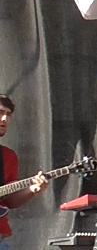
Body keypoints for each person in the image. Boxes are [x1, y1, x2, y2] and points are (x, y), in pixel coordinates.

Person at [0, 95, 48, 249]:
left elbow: (10, 201)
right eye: (0, 112)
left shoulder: (8, 157)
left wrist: (32, 189)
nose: (4, 119)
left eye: (8, 115)